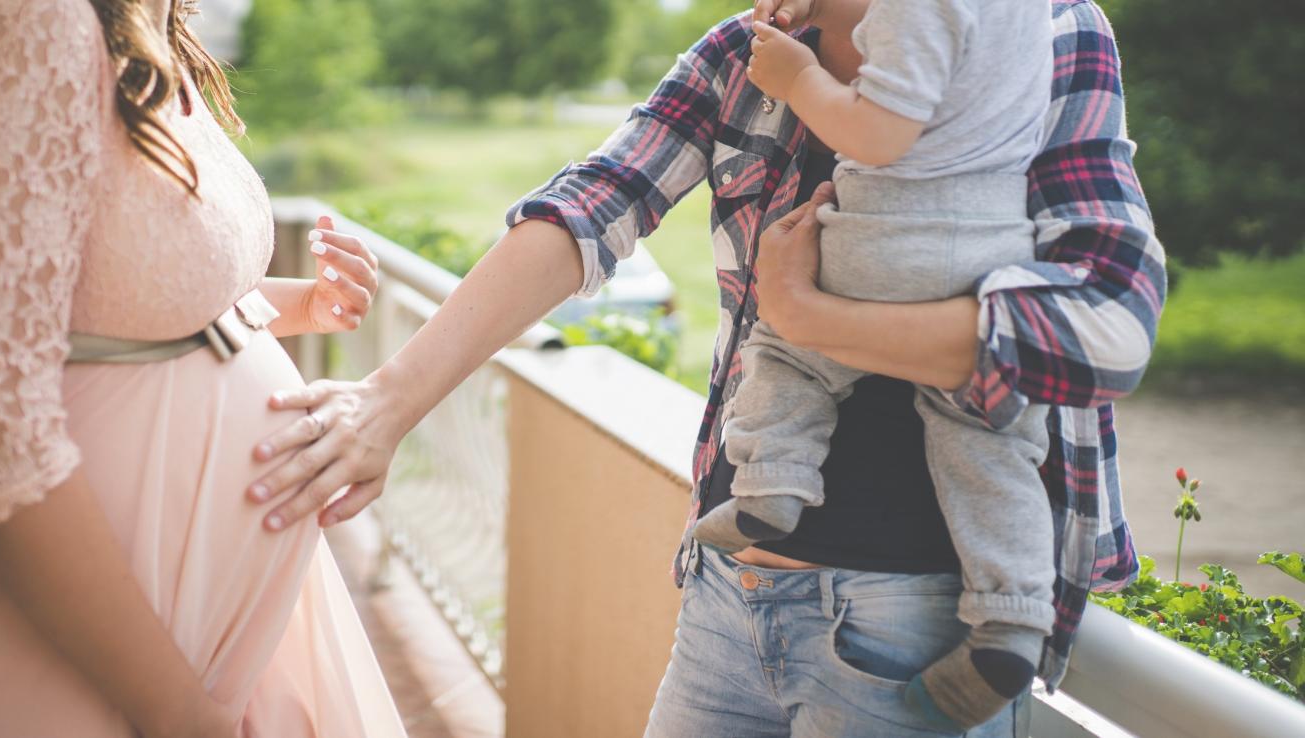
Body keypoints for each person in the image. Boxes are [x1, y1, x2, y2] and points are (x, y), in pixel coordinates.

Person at [248, 0, 1164, 733]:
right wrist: (388, 401)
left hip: (916, 617)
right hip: (730, 588)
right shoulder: (749, 51)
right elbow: (592, 204)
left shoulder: (1046, 28)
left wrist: (812, 318)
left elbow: (1109, 323)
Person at [0, 0, 403, 735]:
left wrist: (299, 306)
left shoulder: (147, 32)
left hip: (205, 643)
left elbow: (114, 301)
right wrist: (181, 713)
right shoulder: (32, 25)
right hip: (72, 658)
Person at [688, 0, 1058, 729]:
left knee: (787, 349)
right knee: (988, 437)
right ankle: (1012, 618)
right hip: (991, 254)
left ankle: (771, 484)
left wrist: (798, 78)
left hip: (889, 239)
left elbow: (879, 134)